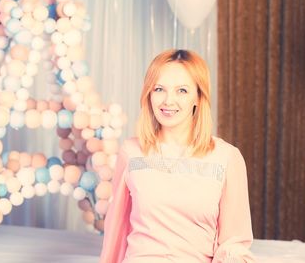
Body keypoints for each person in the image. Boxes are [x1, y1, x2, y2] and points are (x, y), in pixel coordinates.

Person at [99, 49, 254, 263]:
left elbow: (233, 242)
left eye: (181, 90)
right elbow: (116, 231)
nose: (168, 101)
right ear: (149, 94)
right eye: (159, 89)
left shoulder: (227, 157)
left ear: (198, 97)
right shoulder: (131, 152)